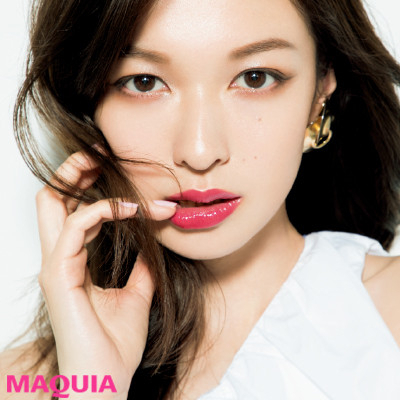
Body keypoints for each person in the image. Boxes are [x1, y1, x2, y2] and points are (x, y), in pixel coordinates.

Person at [1, 0, 400, 398]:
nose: (200, 151)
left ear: (320, 87)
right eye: (144, 82)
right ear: (88, 105)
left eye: (255, 78)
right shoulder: (22, 382)